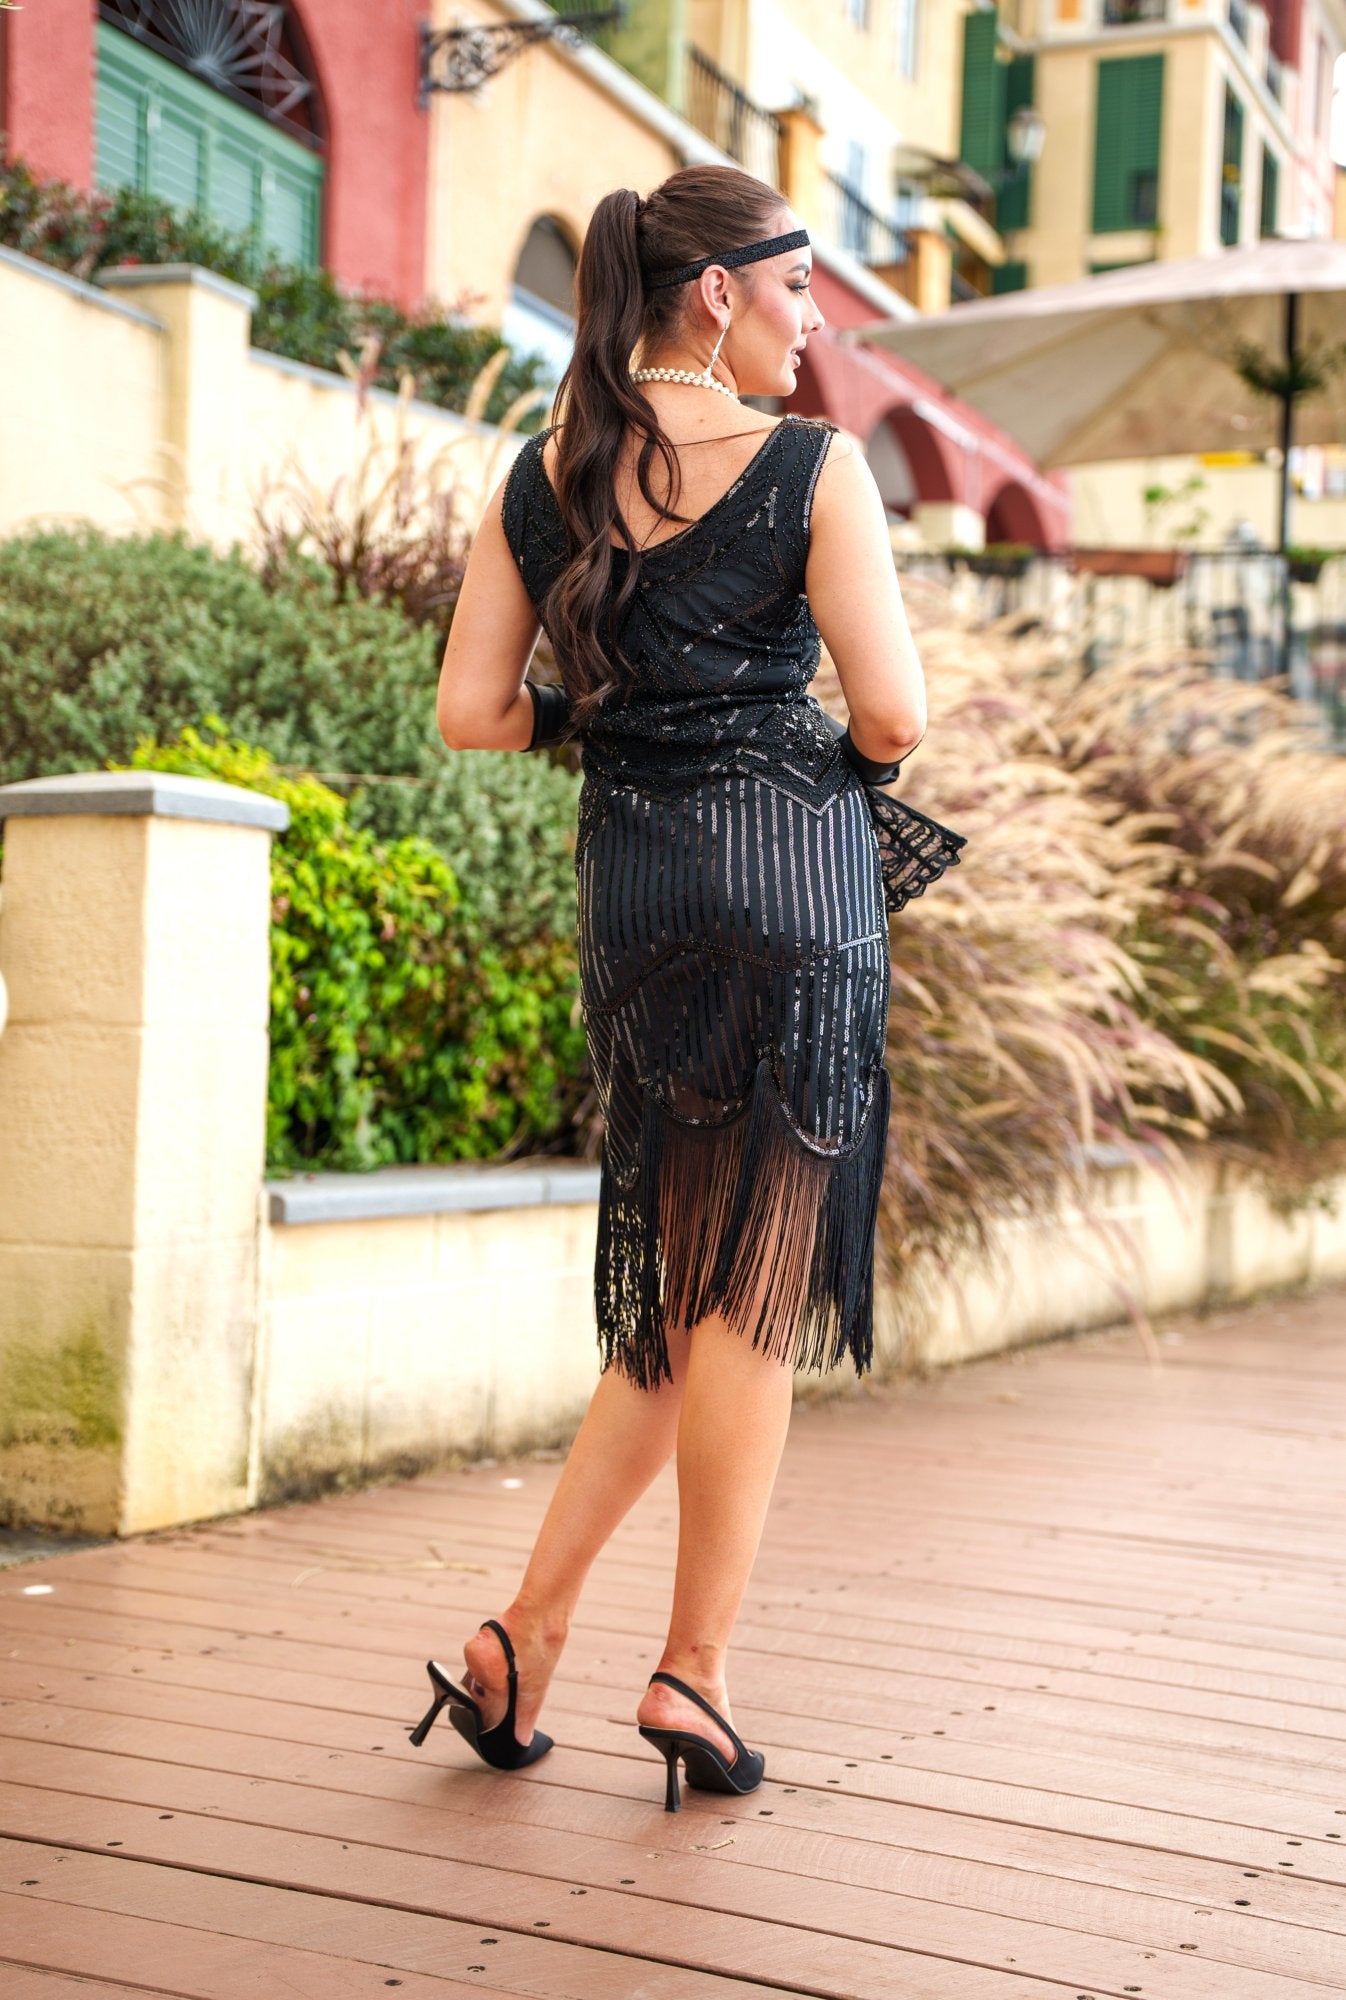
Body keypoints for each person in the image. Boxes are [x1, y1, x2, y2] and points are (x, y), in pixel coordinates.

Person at [412, 165, 965, 1813]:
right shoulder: (810, 466)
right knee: (751, 1298)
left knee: (671, 1304)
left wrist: (621, 727)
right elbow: (892, 719)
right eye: (801, 291)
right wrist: (790, 737)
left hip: (636, 892)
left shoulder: (545, 475)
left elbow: (473, 714)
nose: (817, 328)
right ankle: (696, 1675)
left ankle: (521, 1642)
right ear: (715, 291)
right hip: (791, 888)